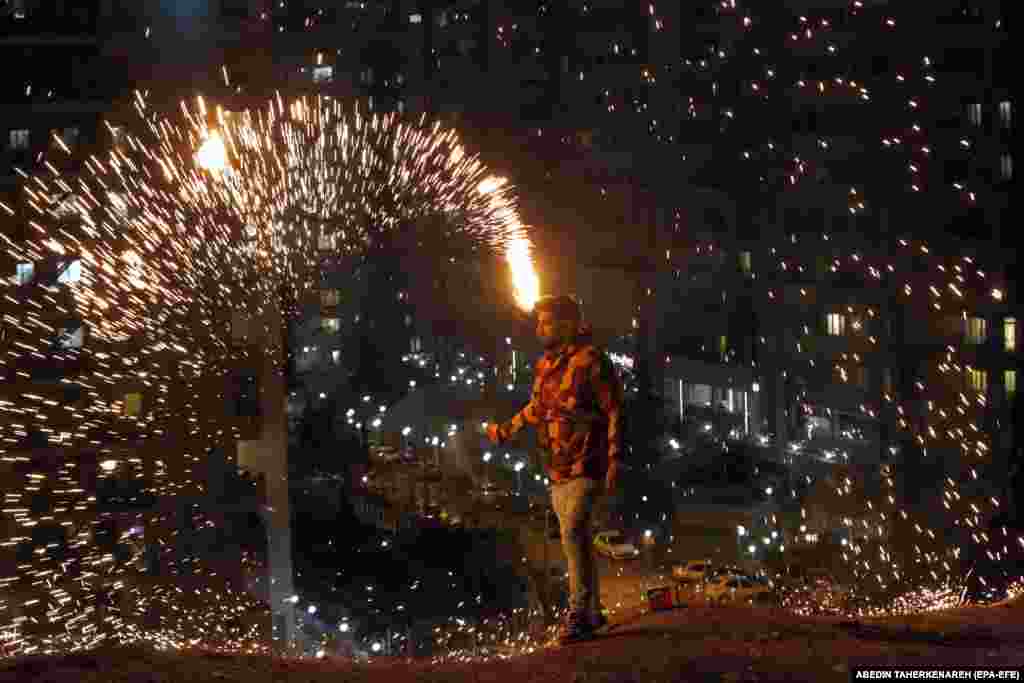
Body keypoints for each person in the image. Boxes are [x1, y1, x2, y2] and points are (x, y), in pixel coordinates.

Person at [486, 295, 624, 644]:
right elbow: (537, 408)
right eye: (539, 322)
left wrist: (614, 458)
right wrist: (504, 431)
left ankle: (578, 615)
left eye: (546, 322)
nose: (539, 328)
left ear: (567, 324)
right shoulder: (546, 365)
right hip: (558, 469)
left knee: (574, 532)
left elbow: (614, 410)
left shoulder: (592, 361)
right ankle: (593, 614)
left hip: (586, 463)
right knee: (574, 540)